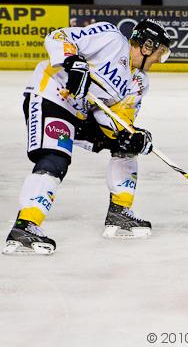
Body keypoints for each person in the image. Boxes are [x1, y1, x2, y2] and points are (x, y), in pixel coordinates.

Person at [3, 19, 171, 255]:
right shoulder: (111, 38)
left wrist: (131, 135)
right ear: (147, 46)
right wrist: (73, 62)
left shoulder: (139, 82)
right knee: (55, 159)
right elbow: (58, 36)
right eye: (160, 53)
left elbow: (117, 120)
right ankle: (24, 228)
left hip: (82, 114)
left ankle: (119, 214)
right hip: (52, 96)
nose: (159, 60)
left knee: (126, 145)